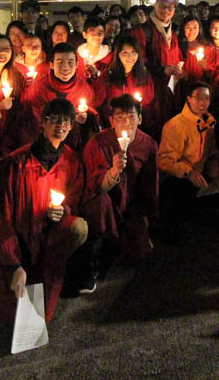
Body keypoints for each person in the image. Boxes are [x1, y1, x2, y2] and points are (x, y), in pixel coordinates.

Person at [0, 98, 90, 324]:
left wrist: (63, 210)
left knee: (79, 227)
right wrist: (13, 263)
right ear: (42, 123)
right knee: (9, 308)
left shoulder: (72, 161)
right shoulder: (15, 163)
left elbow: (75, 197)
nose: (60, 125)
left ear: (72, 126)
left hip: (48, 239)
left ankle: (57, 271)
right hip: (18, 242)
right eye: (54, 119)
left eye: (66, 121)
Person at [74, 95, 159, 291]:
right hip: (104, 202)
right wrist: (113, 172)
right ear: (111, 121)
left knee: (139, 252)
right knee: (100, 205)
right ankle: (90, 262)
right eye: (120, 118)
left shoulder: (148, 144)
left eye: (131, 117)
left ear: (140, 118)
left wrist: (147, 219)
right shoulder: (99, 143)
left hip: (131, 204)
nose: (126, 123)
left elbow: (149, 184)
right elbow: (93, 187)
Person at [157, 82, 219, 244]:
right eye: (198, 98)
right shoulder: (176, 125)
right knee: (181, 193)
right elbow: (165, 160)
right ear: (188, 99)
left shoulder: (209, 122)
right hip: (179, 175)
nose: (202, 102)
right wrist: (188, 172)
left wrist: (214, 162)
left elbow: (212, 149)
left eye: (206, 98)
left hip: (200, 170)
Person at [19, 42, 96, 151]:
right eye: (60, 62)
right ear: (51, 64)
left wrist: (82, 118)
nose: (65, 68)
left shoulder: (84, 89)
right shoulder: (38, 88)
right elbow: (31, 119)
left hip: (73, 146)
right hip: (42, 145)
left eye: (70, 62)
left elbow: (91, 119)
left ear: (77, 64)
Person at [93, 36, 167, 139]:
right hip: (113, 127)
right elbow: (99, 103)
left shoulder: (144, 76)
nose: (130, 57)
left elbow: (149, 103)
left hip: (139, 127)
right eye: (125, 53)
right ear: (117, 54)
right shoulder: (108, 76)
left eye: (133, 52)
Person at [130, 0, 183, 84]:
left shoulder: (173, 32)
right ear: (155, 7)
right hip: (150, 82)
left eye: (170, 8)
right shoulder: (141, 31)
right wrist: (162, 70)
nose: (166, 10)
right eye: (163, 6)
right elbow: (138, 58)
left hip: (170, 84)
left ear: (174, 11)